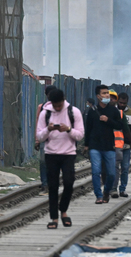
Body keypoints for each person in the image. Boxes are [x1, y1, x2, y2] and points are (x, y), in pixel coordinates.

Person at [36, 89, 84, 229]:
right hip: (51, 154)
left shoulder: (74, 112)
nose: (57, 108)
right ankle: (54, 218)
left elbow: (80, 135)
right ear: (51, 102)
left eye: (59, 105)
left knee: (69, 182)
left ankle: (63, 210)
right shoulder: (45, 113)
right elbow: (39, 137)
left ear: (64, 100)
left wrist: (68, 129)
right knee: (53, 186)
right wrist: (48, 130)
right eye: (55, 105)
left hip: (68, 153)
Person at [84, 84, 125, 204]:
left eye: (107, 93)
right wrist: (86, 145)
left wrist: (108, 120)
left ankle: (107, 191)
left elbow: (120, 125)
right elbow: (88, 129)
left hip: (109, 147)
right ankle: (99, 195)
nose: (107, 95)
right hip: (95, 146)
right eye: (104, 93)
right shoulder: (92, 112)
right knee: (96, 171)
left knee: (111, 173)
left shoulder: (113, 111)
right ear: (98, 96)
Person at [113, 92, 131, 197]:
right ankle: (114, 189)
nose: (122, 105)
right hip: (115, 144)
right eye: (120, 102)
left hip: (127, 145)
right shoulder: (113, 111)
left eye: (124, 103)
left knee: (125, 168)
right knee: (115, 168)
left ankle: (122, 189)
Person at [35, 85, 58, 196]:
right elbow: (38, 124)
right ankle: (45, 184)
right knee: (43, 162)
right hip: (45, 138)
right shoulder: (42, 107)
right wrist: (37, 140)